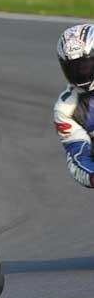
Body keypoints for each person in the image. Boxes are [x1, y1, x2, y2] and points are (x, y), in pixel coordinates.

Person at [55, 24, 94, 188]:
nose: (81, 72)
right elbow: (77, 156)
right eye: (75, 67)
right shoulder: (66, 108)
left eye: (86, 65)